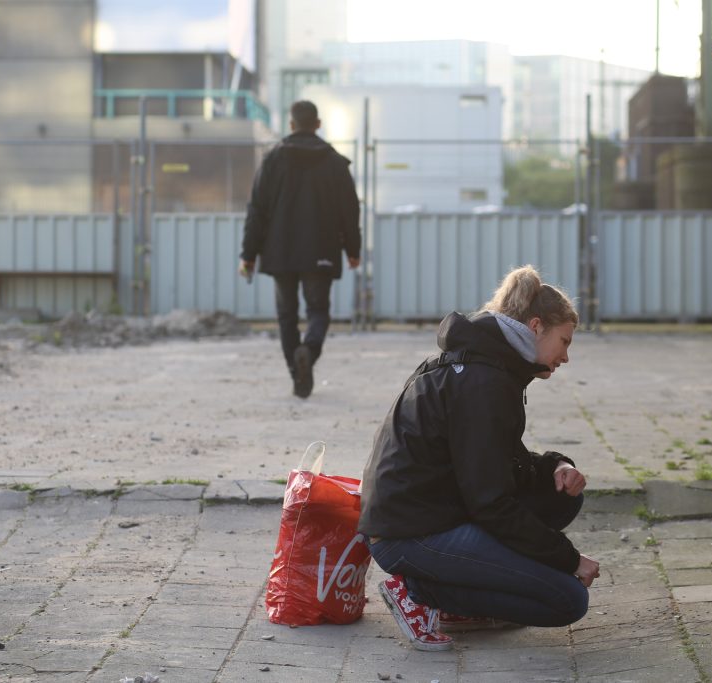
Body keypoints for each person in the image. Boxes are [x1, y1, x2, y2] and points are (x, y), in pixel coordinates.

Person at [358, 265, 600, 651]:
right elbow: (491, 502)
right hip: (410, 534)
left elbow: (497, 460)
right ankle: (418, 592)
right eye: (564, 341)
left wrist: (557, 466)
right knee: (567, 599)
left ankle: (459, 599)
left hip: (435, 510)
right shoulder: (483, 381)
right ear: (536, 327)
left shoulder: (489, 366)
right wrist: (569, 560)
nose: (566, 357)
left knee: (561, 496)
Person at [239, 100, 361, 398]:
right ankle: (309, 350)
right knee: (318, 310)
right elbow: (350, 210)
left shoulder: (272, 160)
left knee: (287, 316)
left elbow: (257, 210)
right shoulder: (335, 163)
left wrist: (248, 254)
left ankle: (298, 376)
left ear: (291, 125)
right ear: (318, 124)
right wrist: (353, 249)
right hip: (321, 249)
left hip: (280, 251)